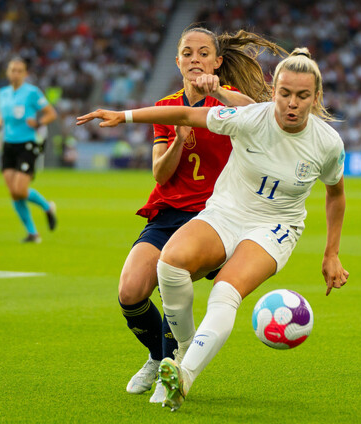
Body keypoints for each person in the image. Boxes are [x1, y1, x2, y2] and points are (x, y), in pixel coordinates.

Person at [76, 48, 349, 411]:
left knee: (225, 291)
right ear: (274, 92)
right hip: (226, 211)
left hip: (274, 227)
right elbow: (186, 114)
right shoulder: (250, 118)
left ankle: (183, 376)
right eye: (285, 93)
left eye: (302, 96)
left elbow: (335, 194)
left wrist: (331, 253)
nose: (292, 104)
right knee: (170, 263)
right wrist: (123, 116)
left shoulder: (327, 143)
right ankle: (185, 349)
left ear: (316, 98)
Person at [110, 27, 285, 404]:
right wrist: (178, 138)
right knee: (130, 292)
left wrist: (218, 92)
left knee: (173, 279)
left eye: (203, 53)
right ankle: (158, 357)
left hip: (217, 217)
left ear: (217, 62)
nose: (195, 59)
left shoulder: (229, 102)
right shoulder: (166, 107)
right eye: (187, 53)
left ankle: (174, 365)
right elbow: (160, 174)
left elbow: (256, 113)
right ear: (177, 61)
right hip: (169, 213)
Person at [0, 57, 58, 243]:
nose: (16, 74)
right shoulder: (3, 93)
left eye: (19, 70)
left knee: (20, 190)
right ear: (8, 73)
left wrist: (38, 123)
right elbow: (1, 116)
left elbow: (51, 114)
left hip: (27, 145)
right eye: (12, 70)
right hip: (8, 145)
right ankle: (32, 233)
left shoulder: (32, 92)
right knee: (13, 192)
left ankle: (47, 207)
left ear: (25, 73)